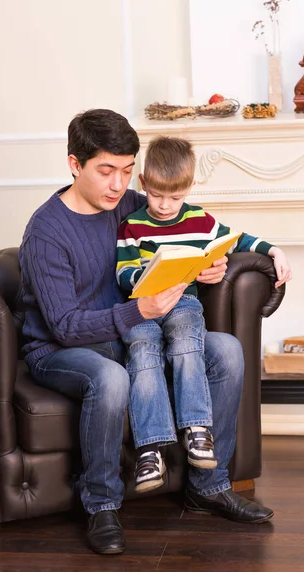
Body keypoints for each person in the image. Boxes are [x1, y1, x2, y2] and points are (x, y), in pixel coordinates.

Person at [19, 108, 282, 557]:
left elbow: (182, 229)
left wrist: (208, 266)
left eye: (126, 171)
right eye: (106, 171)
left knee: (228, 352)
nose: (119, 185)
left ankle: (208, 485)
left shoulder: (129, 204)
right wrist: (138, 311)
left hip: (129, 333)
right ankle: (101, 503)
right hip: (60, 348)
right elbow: (64, 327)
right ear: (74, 164)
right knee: (110, 378)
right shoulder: (46, 232)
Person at [116, 136, 292, 495]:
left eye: (175, 197)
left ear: (190, 188)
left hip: (181, 304)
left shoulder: (201, 220)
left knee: (186, 343)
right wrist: (146, 274)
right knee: (143, 356)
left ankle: (198, 430)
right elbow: (123, 272)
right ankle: (150, 451)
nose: (165, 206)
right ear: (144, 183)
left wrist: (274, 250)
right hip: (144, 310)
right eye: (157, 195)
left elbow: (238, 240)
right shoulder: (131, 226)